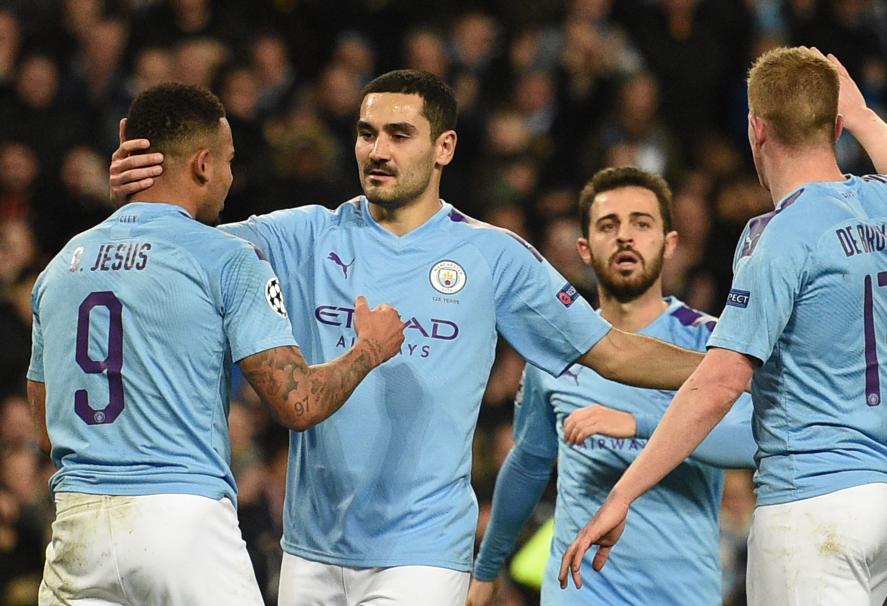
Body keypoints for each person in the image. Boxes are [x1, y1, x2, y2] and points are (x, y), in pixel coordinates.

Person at [109, 70, 705, 606]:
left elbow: (612, 351)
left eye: (399, 135)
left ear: (444, 147)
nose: (377, 150)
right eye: (367, 134)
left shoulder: (491, 255)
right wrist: (141, 199)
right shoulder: (307, 235)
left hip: (420, 553)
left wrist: (731, 364)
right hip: (309, 551)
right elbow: (179, 246)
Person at [558, 47, 887, 606]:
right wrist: (860, 113)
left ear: (756, 128)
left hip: (814, 502)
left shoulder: (779, 236)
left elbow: (719, 382)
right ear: (833, 125)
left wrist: (623, 492)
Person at [28, 83, 405, 606]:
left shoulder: (59, 267)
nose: (230, 176)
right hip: (184, 523)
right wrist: (369, 349)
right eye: (228, 161)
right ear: (203, 164)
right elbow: (298, 401)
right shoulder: (226, 257)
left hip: (77, 527)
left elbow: (48, 431)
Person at [467, 167, 756, 606]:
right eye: (608, 225)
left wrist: (638, 423)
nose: (625, 236)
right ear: (584, 248)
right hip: (579, 591)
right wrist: (487, 570)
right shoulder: (555, 352)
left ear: (669, 243)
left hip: (680, 594)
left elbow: (752, 441)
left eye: (641, 224)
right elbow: (527, 466)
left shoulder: (712, 345)